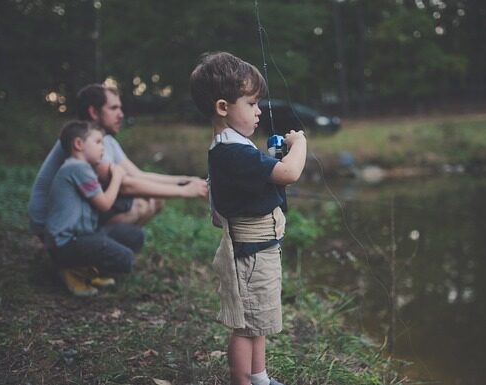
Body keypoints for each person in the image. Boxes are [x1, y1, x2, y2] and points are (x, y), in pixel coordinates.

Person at [189, 52, 307, 385]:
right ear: (223, 107)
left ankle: (260, 378)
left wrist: (269, 158)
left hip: (260, 250)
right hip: (251, 256)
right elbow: (288, 173)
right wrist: (300, 144)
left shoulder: (234, 146)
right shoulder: (232, 152)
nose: (258, 111)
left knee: (257, 322)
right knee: (245, 327)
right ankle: (245, 382)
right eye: (252, 103)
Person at [28, 84, 208, 238]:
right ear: (93, 111)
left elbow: (138, 175)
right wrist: (184, 191)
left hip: (76, 214)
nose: (121, 114)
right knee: (139, 204)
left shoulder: (105, 140)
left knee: (154, 200)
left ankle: (108, 252)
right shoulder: (84, 144)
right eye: (113, 108)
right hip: (50, 223)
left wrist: (185, 179)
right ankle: (90, 258)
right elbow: (125, 185)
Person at [45, 120, 144, 297]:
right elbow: (105, 203)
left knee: (135, 235)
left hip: (82, 236)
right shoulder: (77, 168)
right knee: (125, 259)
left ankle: (89, 269)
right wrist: (118, 176)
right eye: (98, 142)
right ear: (78, 144)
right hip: (65, 244)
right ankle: (74, 271)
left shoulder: (81, 168)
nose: (103, 148)